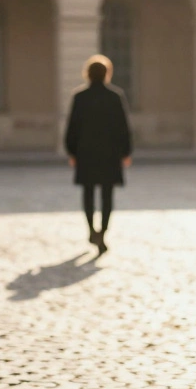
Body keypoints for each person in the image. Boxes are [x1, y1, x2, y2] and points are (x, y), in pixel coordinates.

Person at [64, 54, 132, 255]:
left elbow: (72, 128)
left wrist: (72, 151)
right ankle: (102, 231)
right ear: (107, 74)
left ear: (87, 74)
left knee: (88, 193)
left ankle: (91, 230)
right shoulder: (115, 96)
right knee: (107, 195)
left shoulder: (79, 97)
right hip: (110, 153)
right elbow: (123, 128)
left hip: (86, 153)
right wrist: (126, 152)